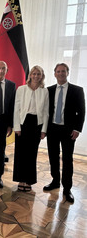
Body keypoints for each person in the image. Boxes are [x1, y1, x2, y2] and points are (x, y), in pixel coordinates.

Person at [43, 63, 85, 203]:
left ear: (67, 73)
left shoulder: (77, 90)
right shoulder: (48, 90)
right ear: (54, 73)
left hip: (69, 131)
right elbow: (45, 112)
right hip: (53, 129)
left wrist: (77, 129)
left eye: (63, 71)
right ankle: (55, 181)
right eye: (58, 71)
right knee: (53, 157)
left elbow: (82, 111)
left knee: (67, 159)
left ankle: (67, 189)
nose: (61, 73)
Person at [13, 65, 49, 192]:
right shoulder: (21, 89)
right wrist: (16, 126)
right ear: (30, 75)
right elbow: (16, 110)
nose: (36, 76)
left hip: (36, 124)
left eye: (38, 74)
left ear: (41, 76)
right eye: (34, 73)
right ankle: (21, 179)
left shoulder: (45, 91)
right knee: (21, 153)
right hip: (23, 123)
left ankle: (29, 181)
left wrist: (44, 130)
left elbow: (46, 112)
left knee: (32, 153)